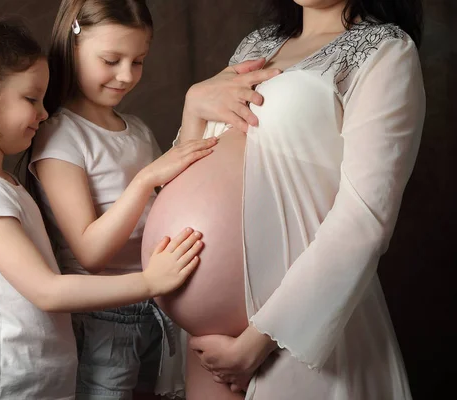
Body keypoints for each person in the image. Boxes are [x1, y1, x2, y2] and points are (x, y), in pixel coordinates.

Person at [0, 14, 207, 400]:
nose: (43, 112)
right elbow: (47, 291)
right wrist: (150, 282)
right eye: (30, 99)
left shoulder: (2, 184)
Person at [176, 0, 426, 399]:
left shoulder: (385, 50)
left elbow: (365, 219)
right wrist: (192, 110)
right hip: (208, 345)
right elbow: (185, 173)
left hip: (294, 339)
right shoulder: (255, 45)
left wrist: (255, 343)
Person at [27, 1, 225, 399]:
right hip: (103, 320)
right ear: (72, 45)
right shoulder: (59, 135)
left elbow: (165, 206)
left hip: (158, 307)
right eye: (111, 59)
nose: (126, 75)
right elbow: (90, 252)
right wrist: (147, 178)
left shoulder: (135, 129)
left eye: (138, 61)